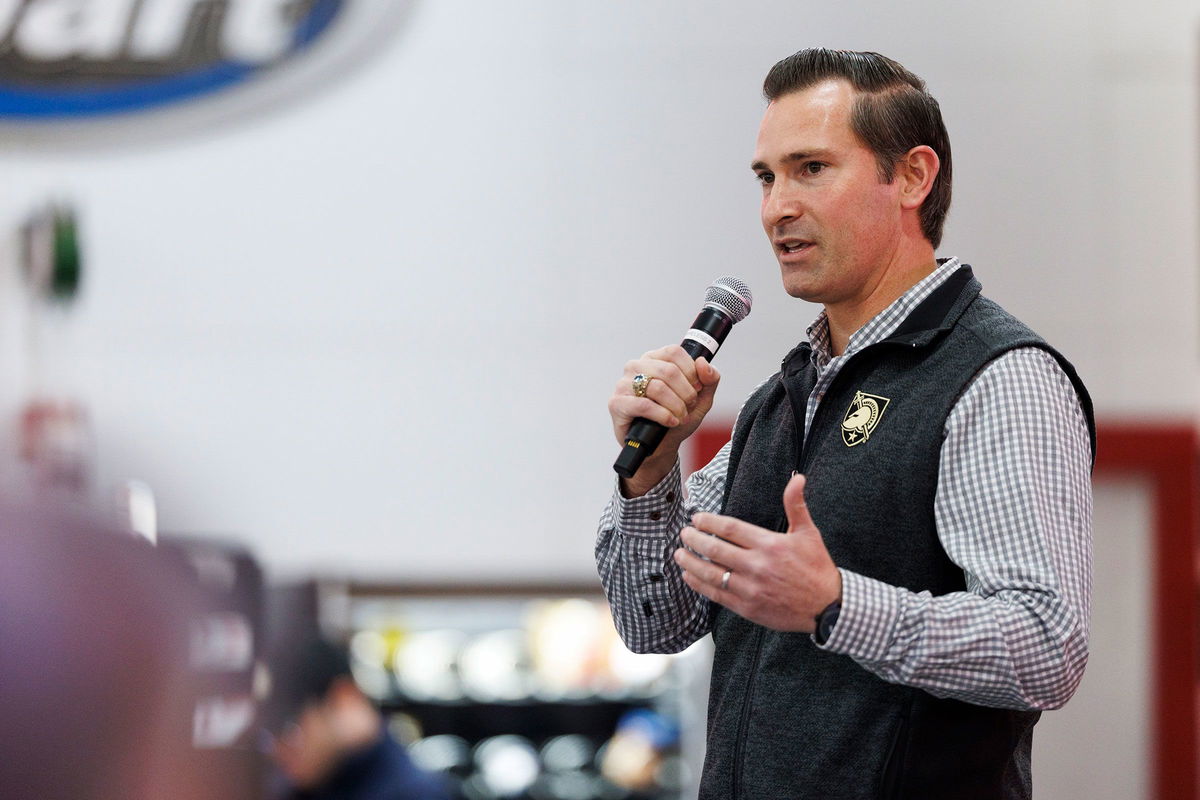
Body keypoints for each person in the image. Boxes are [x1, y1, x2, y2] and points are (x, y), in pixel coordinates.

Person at [596, 48, 1094, 800]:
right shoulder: (783, 398)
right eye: (766, 177)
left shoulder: (1000, 375)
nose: (776, 207)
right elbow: (654, 621)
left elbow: (1046, 647)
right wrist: (649, 473)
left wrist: (837, 606)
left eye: (811, 169)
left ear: (913, 178)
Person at [264, 637, 450, 800]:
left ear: (344, 699)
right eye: (267, 736)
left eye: (290, 730)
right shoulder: (310, 784)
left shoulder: (414, 794)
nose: (279, 750)